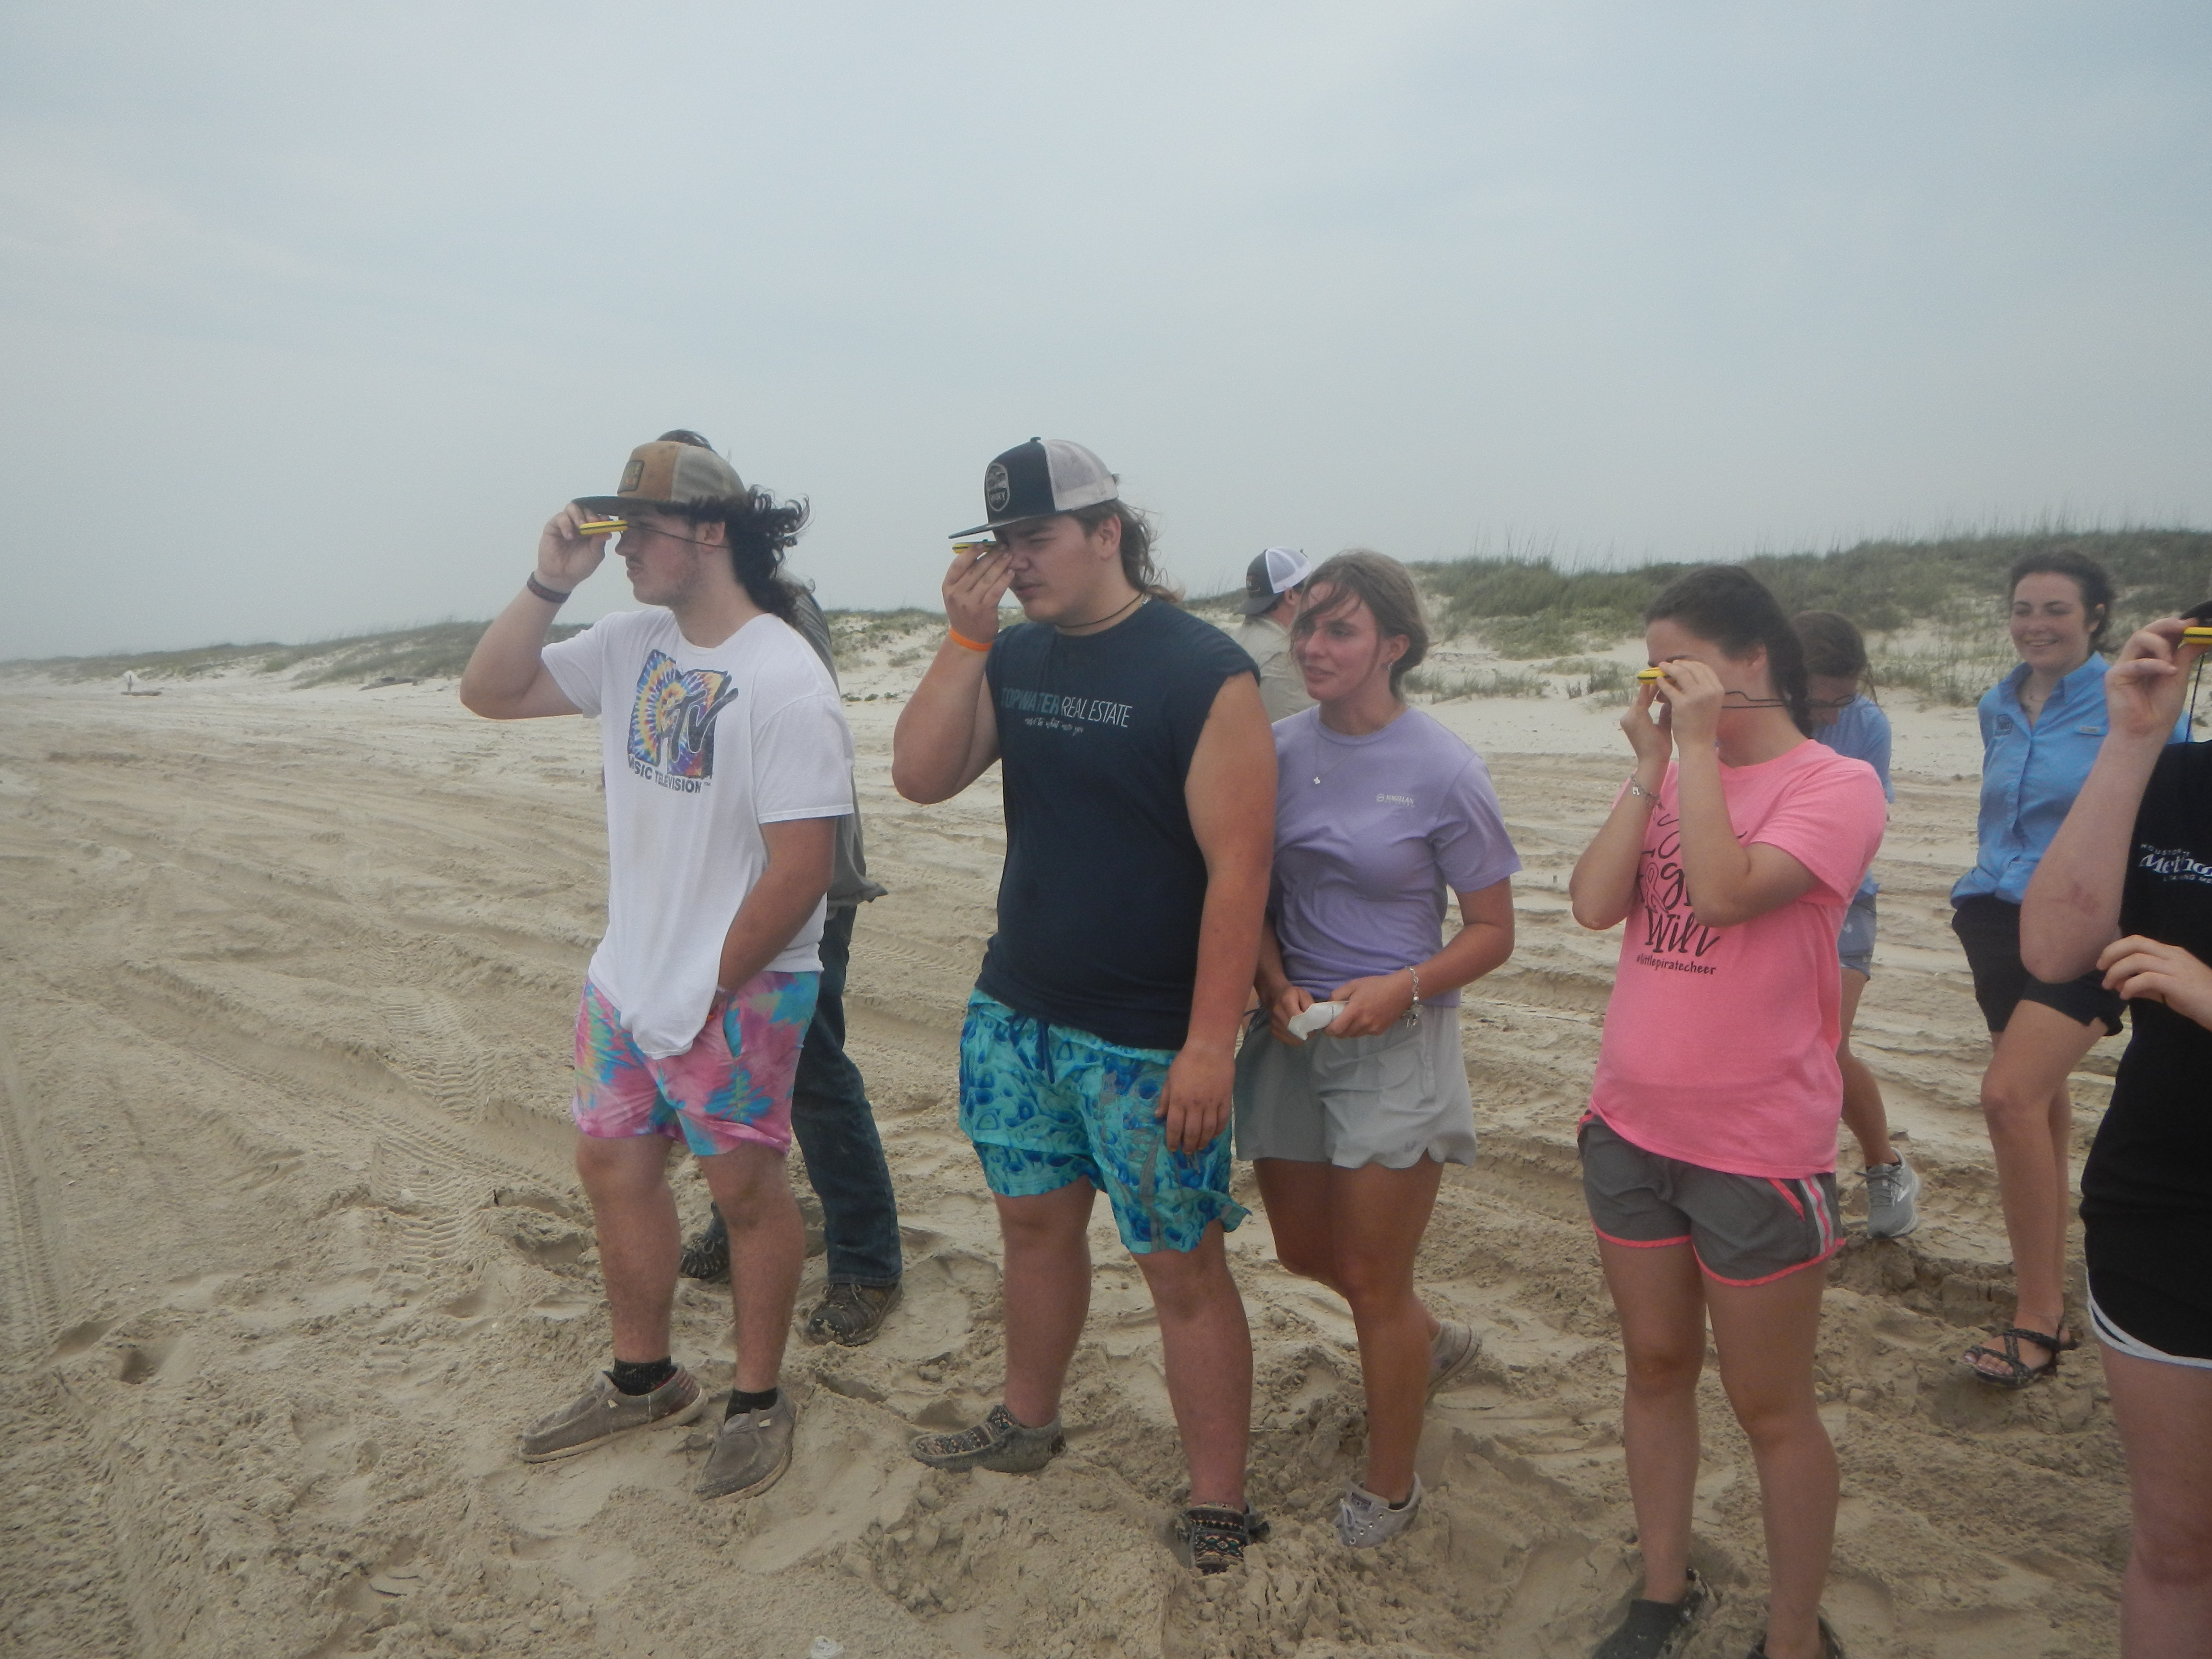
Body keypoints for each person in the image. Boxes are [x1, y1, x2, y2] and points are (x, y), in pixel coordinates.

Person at [890, 437, 1275, 1573]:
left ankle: (1218, 1497)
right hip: (1018, 1008)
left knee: (1179, 1262)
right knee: (1031, 1227)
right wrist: (966, 641)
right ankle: (1028, 1416)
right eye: (1001, 542)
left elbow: (1241, 869)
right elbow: (918, 774)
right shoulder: (1011, 655)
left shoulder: (1201, 669)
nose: (1015, 564)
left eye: (1036, 539)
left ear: (1107, 531)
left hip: (1149, 1036)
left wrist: (1211, 1040)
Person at [459, 432, 856, 1503]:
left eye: (638, 527)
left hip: (746, 982)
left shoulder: (784, 677)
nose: (622, 545)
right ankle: (646, 1378)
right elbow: (490, 692)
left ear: (710, 532)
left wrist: (708, 990)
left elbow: (802, 870)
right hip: (627, 974)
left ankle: (758, 1400)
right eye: (614, 526)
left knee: (745, 1189)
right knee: (613, 1168)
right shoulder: (634, 638)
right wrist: (552, 578)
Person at [1568, 567, 1886, 1659]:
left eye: (1679, 663)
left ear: (1751, 663)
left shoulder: (1835, 784)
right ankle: (1664, 1586)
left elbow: (1719, 890)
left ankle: (1794, 1631)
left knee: (1771, 1405)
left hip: (1755, 1145)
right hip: (1629, 1123)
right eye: (1652, 666)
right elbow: (1595, 901)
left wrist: (1697, 755)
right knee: (1654, 1365)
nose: (1661, 683)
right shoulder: (1673, 768)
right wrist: (1650, 765)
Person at [1233, 551, 1519, 1549]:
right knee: (1308, 1251)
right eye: (1306, 625)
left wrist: (1402, 988)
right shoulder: (1271, 748)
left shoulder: (1444, 766)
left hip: (1398, 1036)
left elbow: (1493, 931)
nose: (1313, 646)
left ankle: (1389, 1490)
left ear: (1394, 646)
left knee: (1371, 1278)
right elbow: (1248, 889)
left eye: (1340, 630)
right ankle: (1430, 1342)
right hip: (1292, 1032)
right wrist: (1272, 981)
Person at [1949, 551, 2188, 1388]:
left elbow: (2166, 819)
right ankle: (2047, 1282)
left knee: (2007, 1097)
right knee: (2036, 1102)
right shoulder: (1997, 701)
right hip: (1992, 912)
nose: (2034, 624)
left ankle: (2037, 1316)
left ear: (2094, 618)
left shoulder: (2131, 699)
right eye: (2021, 609)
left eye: (2055, 609)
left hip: (2088, 927)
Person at [2022, 606, 2212, 1657]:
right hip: (2167, 1207)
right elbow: (2055, 944)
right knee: (2179, 1546)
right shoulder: (2182, 784)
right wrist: (2134, 741)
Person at [680, 584, 906, 1349]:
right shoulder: (685, 627)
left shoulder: (780, 610)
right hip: (716, 893)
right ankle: (733, 1214)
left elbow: (796, 752)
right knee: (729, 1063)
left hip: (802, 890)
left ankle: (867, 1263)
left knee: (812, 1069)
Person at [1796, 611, 1919, 1238]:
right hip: (1765, 898)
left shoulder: (1868, 726)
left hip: (1843, 898)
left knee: (1825, 1043)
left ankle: (1883, 1162)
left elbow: (1863, 829)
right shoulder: (1750, 720)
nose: (1834, 713)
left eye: (1845, 698)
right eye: (1822, 700)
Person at [1235, 546, 1317, 721]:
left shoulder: (1237, 637)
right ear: (1290, 596)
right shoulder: (1281, 654)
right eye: (1312, 589)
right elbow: (1294, 735)